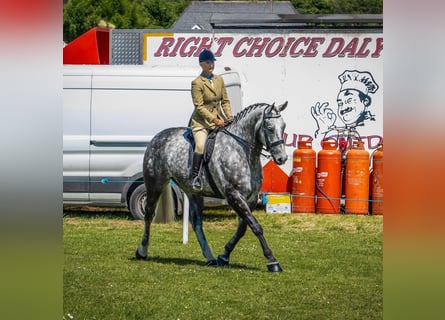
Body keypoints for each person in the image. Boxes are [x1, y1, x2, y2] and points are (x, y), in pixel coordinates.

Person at [189, 49, 233, 189]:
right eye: (208, 62)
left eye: (212, 62)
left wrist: (229, 115)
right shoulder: (197, 83)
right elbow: (199, 107)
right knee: (201, 145)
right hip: (202, 123)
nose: (211, 65)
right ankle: (195, 176)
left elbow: (225, 101)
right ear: (201, 64)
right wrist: (214, 120)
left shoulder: (219, 79)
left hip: (219, 120)